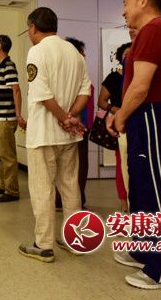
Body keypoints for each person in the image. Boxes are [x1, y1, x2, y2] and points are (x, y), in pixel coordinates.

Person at [107, 0, 161, 289]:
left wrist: (120, 116)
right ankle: (143, 251)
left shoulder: (156, 29)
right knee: (141, 189)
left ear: (143, 0)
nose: (123, 11)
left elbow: (141, 87)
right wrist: (125, 116)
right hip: (145, 117)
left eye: (126, 3)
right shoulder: (149, 32)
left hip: (153, 115)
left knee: (159, 193)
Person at [18, 7, 91, 263]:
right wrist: (72, 116)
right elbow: (85, 91)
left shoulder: (37, 51)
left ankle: (44, 244)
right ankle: (75, 240)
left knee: (42, 189)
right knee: (70, 187)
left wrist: (62, 117)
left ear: (33, 28)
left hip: (43, 135)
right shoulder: (74, 53)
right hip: (68, 136)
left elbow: (42, 93)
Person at [55, 38, 94, 211]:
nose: (83, 58)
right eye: (81, 54)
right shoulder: (67, 75)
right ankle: (64, 200)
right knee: (69, 167)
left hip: (80, 126)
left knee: (80, 165)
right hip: (70, 125)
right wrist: (69, 118)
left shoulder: (81, 74)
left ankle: (78, 199)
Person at [0, 34, 26, 202]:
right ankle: (4, 185)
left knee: (7, 155)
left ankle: (12, 191)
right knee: (0, 154)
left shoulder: (9, 66)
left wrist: (18, 115)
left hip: (6, 118)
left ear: (0, 47)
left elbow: (16, 91)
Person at [98, 42, 131, 212]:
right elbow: (101, 101)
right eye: (125, 54)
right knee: (122, 164)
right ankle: (124, 201)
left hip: (140, 123)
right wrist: (115, 109)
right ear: (119, 58)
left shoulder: (141, 75)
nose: (128, 57)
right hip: (121, 125)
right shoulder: (113, 78)